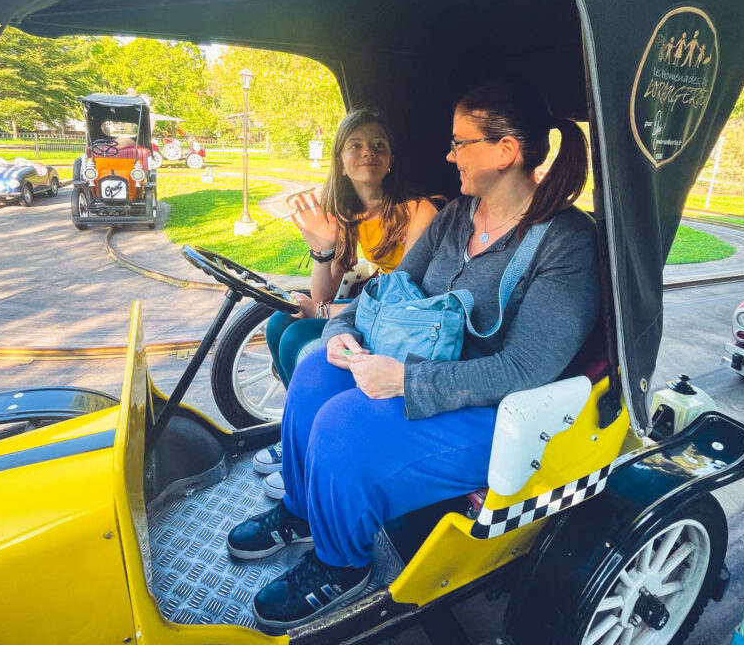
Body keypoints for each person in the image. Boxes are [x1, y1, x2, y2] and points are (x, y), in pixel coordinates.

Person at [226, 80, 600, 631]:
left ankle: (340, 564)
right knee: (311, 370)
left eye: (459, 143)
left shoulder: (566, 242)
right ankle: (306, 512)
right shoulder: (457, 217)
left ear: (505, 151)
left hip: (501, 413)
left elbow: (526, 368)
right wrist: (345, 328)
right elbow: (394, 286)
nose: (449, 155)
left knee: (343, 425)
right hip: (423, 372)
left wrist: (408, 381)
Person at [252, 109, 437, 496]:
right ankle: (299, 436)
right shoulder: (343, 214)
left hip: (404, 321)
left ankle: (310, 449)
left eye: (378, 146)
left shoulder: (419, 210)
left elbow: (403, 295)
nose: (368, 153)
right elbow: (323, 291)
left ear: (390, 160)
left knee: (296, 335)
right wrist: (323, 249)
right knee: (278, 324)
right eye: (356, 145)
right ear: (340, 159)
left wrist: (321, 312)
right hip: (369, 308)